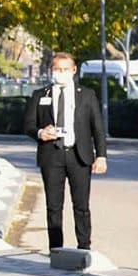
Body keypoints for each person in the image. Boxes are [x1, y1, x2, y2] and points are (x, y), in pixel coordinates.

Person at [29, 51, 106, 251]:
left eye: (65, 70)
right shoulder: (40, 95)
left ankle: (84, 247)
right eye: (57, 69)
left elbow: (97, 128)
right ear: (51, 70)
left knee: (81, 206)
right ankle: (56, 249)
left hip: (79, 156)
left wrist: (102, 156)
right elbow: (28, 124)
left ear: (73, 70)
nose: (60, 73)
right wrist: (40, 132)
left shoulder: (87, 95)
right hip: (51, 156)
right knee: (54, 207)